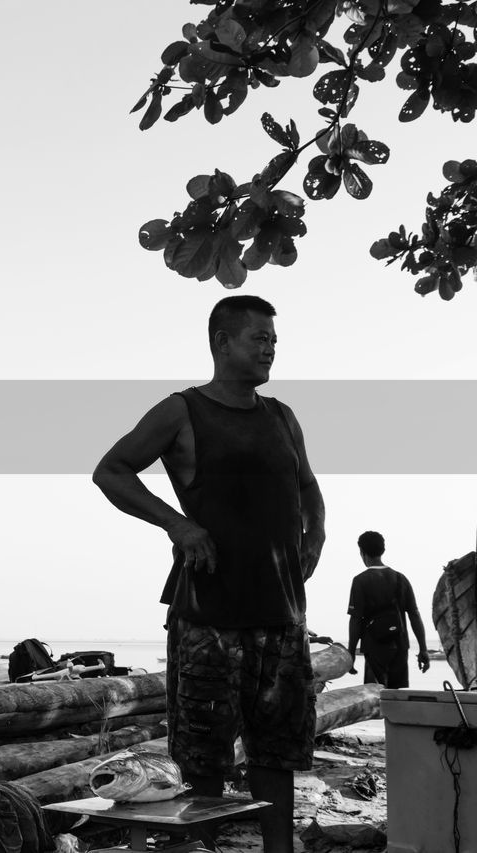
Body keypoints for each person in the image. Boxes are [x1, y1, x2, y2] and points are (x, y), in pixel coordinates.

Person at [93, 294, 325, 853]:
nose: (269, 348)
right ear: (222, 343)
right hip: (209, 618)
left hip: (281, 616)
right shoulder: (183, 411)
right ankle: (195, 847)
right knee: (203, 760)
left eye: (274, 340)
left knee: (278, 754)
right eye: (258, 338)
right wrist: (178, 525)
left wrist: (314, 538)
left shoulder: (281, 417)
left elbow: (309, 488)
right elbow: (111, 471)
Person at [345, 531, 429, 688]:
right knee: (396, 697)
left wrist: (351, 653)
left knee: (374, 696)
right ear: (382, 550)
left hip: (375, 646)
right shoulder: (401, 578)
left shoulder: (360, 581)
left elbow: (355, 620)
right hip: (400, 645)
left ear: (362, 552)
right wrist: (423, 649)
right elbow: (415, 615)